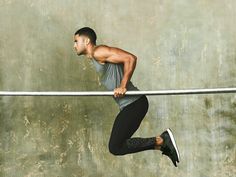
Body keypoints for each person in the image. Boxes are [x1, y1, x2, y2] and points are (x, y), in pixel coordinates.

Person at [73, 27, 180, 167]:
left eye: (76, 41)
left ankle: (161, 140)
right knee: (117, 147)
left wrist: (123, 85)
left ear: (86, 41)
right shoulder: (94, 57)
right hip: (131, 106)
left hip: (135, 104)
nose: (74, 45)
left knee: (115, 147)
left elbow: (130, 58)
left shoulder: (98, 52)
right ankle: (161, 145)